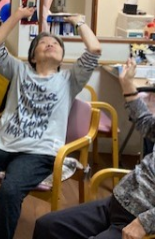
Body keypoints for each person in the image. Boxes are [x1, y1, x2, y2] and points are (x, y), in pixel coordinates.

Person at [0, 6, 101, 239]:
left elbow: (94, 49)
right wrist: (17, 16)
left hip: (39, 152)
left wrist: (79, 22)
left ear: (61, 57)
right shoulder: (19, 70)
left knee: (10, 191)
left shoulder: (70, 79)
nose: (50, 43)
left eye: (55, 43)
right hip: (0, 142)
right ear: (32, 56)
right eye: (43, 42)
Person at [33, 57, 155, 239]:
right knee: (47, 226)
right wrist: (127, 84)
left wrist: (145, 222)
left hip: (139, 220)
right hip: (119, 202)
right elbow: (147, 123)